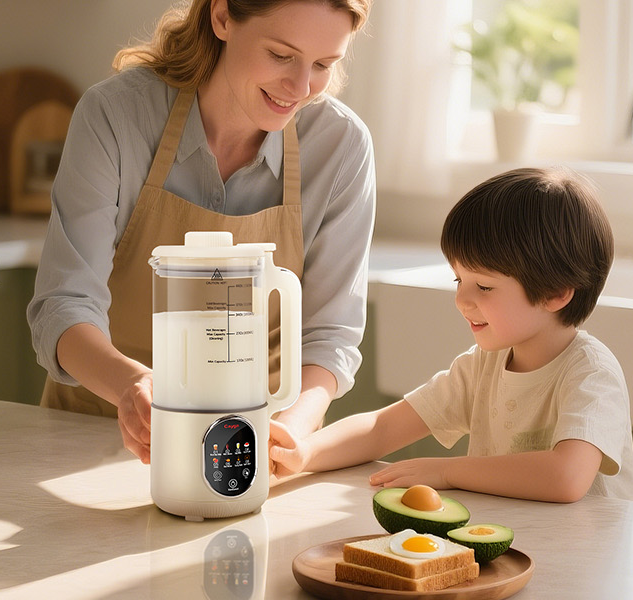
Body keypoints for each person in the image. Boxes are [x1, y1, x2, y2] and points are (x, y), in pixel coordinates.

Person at [26, 0, 376, 479]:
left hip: (247, 450)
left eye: (322, 65)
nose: (300, 88)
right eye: (280, 55)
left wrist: (292, 428)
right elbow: (63, 306)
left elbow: (329, 336)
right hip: (92, 431)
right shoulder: (117, 115)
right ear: (223, 17)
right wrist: (132, 386)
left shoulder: (341, 147)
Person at [271, 167, 633, 502]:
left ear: (556, 293)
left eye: (485, 287)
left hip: (585, 560)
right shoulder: (483, 367)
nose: (462, 299)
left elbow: (566, 477)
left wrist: (448, 470)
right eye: (459, 280)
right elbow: (382, 428)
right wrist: (305, 453)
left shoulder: (591, 374)